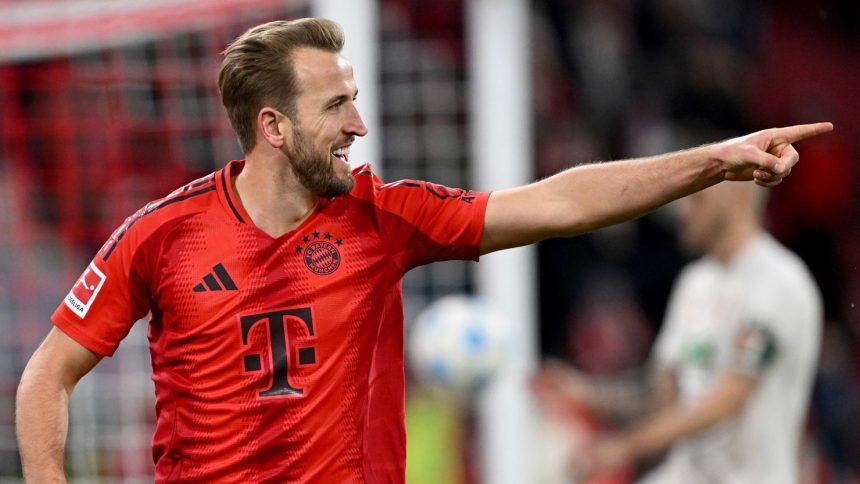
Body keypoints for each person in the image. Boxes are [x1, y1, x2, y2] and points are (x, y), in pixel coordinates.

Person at [14, 17, 831, 483]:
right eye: (336, 107)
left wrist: (710, 160)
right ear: (274, 127)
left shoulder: (382, 219)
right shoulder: (163, 235)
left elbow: (560, 201)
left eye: (356, 103)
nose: (359, 128)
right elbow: (49, 372)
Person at [533, 180, 823, 484]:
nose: (683, 211)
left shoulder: (778, 283)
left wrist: (624, 447)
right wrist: (585, 392)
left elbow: (730, 399)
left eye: (697, 200)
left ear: (738, 198)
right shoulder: (694, 284)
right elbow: (660, 396)